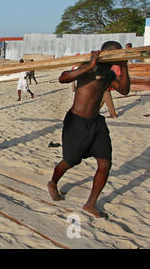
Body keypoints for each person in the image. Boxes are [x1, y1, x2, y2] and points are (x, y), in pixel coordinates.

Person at [47, 41, 130, 219]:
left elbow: (124, 90)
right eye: (114, 55)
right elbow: (63, 78)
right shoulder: (87, 66)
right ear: (103, 53)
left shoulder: (108, 73)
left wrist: (124, 66)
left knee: (105, 163)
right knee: (70, 161)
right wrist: (90, 66)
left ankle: (90, 203)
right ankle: (53, 182)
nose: (116, 58)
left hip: (96, 122)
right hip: (76, 122)